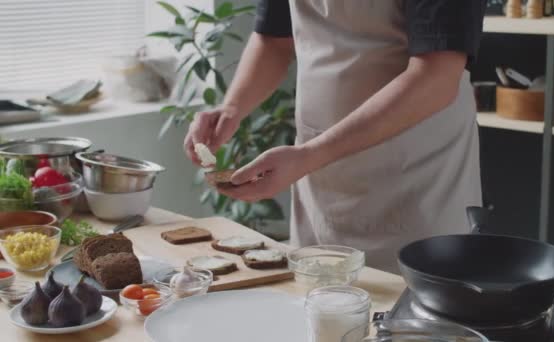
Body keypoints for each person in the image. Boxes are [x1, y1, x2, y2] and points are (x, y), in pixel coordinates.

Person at [184, 0, 486, 273]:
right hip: (318, 176)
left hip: (414, 177)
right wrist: (232, 108)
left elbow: (437, 76)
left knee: (408, 320)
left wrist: (311, 154)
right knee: (317, 308)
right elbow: (274, 40)